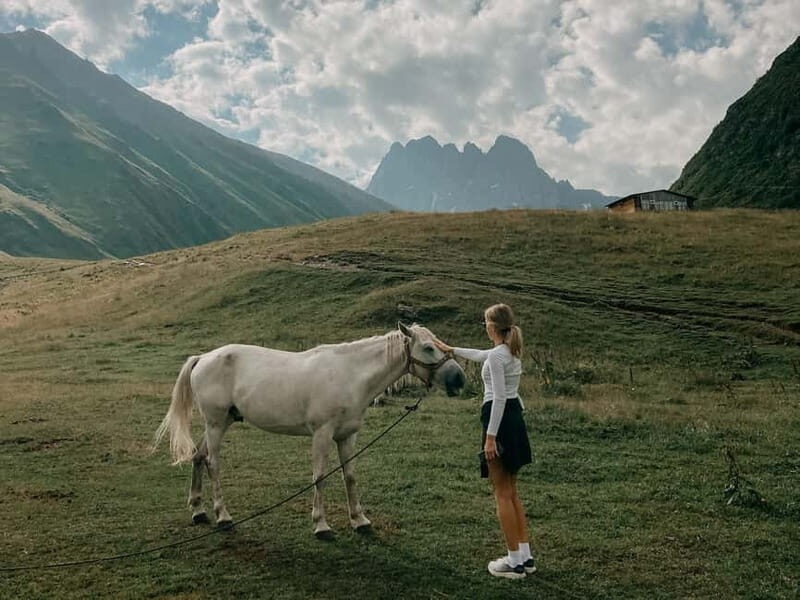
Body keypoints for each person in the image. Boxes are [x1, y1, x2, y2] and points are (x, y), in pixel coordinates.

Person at [434, 303, 534, 580]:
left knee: (501, 492)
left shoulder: (498, 356)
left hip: (498, 421)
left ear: (492, 326)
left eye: (485, 323)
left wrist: (490, 438)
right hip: (513, 418)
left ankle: (513, 563)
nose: (485, 327)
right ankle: (525, 557)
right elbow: (481, 355)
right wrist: (451, 349)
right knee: (511, 492)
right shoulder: (508, 352)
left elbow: (498, 397)